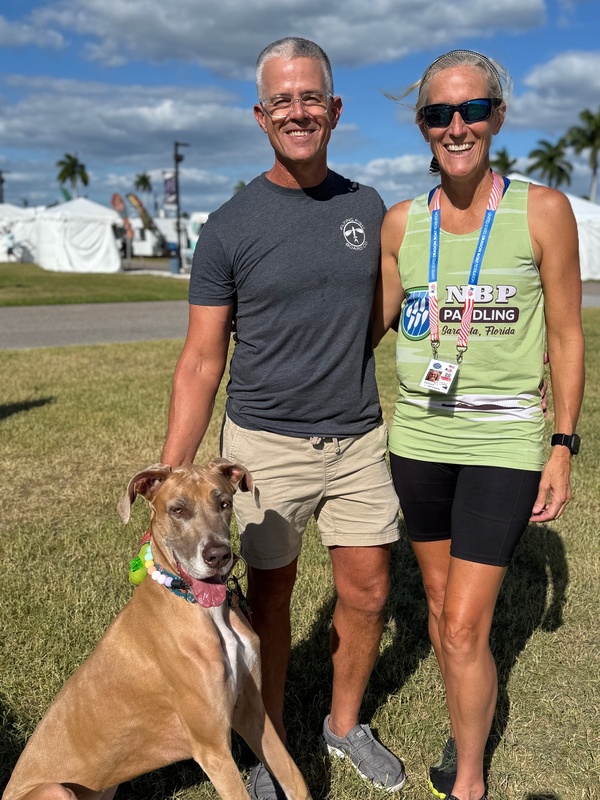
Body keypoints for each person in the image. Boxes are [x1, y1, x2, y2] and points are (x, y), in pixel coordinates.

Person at [161, 37, 406, 799]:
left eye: (311, 99)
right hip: (265, 448)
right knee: (268, 599)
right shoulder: (229, 225)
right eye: (282, 101)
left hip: (360, 440)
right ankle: (265, 749)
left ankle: (341, 726)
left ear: (334, 110)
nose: (298, 112)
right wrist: (173, 477)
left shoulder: (366, 207)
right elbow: (203, 361)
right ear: (261, 116)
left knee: (365, 593)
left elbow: (376, 320)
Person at [373, 49, 585, 800]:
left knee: (462, 625)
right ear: (423, 126)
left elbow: (566, 336)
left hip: (504, 441)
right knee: (438, 609)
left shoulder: (544, 211)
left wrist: (562, 444)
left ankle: (469, 780)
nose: (455, 126)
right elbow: (371, 323)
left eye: (471, 110)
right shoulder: (402, 223)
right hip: (420, 439)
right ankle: (466, 712)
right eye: (438, 114)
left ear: (497, 116)